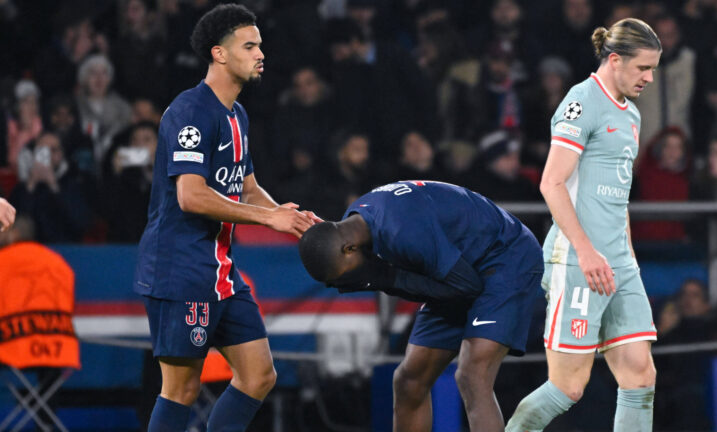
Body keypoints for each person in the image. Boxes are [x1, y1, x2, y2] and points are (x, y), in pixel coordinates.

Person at [132, 5, 321, 432]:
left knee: (259, 376)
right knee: (180, 390)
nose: (260, 54)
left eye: (260, 45)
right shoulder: (191, 112)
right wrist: (264, 220)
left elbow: (247, 186)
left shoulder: (237, 114)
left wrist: (284, 215)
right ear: (219, 53)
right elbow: (191, 196)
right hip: (178, 268)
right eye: (249, 46)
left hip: (219, 270)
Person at [506, 18, 661, 432]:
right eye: (642, 68)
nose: (648, 78)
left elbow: (618, 197)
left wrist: (625, 256)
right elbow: (551, 182)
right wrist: (587, 251)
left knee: (640, 376)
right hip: (578, 261)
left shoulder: (631, 115)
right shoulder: (581, 101)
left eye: (653, 69)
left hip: (619, 264)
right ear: (615, 60)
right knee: (568, 386)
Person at [298, 180, 544, 432]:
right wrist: (387, 277)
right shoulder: (355, 221)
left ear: (348, 248)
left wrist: (385, 278)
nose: (344, 282)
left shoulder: (402, 230)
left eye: (340, 275)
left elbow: (466, 288)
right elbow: (436, 278)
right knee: (408, 382)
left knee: (472, 376)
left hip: (504, 257)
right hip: (456, 267)